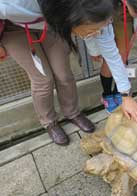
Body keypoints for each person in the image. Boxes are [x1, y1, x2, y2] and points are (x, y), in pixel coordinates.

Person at [0, 0, 120, 145]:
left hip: (53, 23)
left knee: (63, 74)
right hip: (13, 28)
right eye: (92, 30)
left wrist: (125, 94)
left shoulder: (71, 12)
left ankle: (72, 113)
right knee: (43, 80)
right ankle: (49, 122)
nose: (96, 32)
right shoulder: (13, 5)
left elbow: (101, 38)